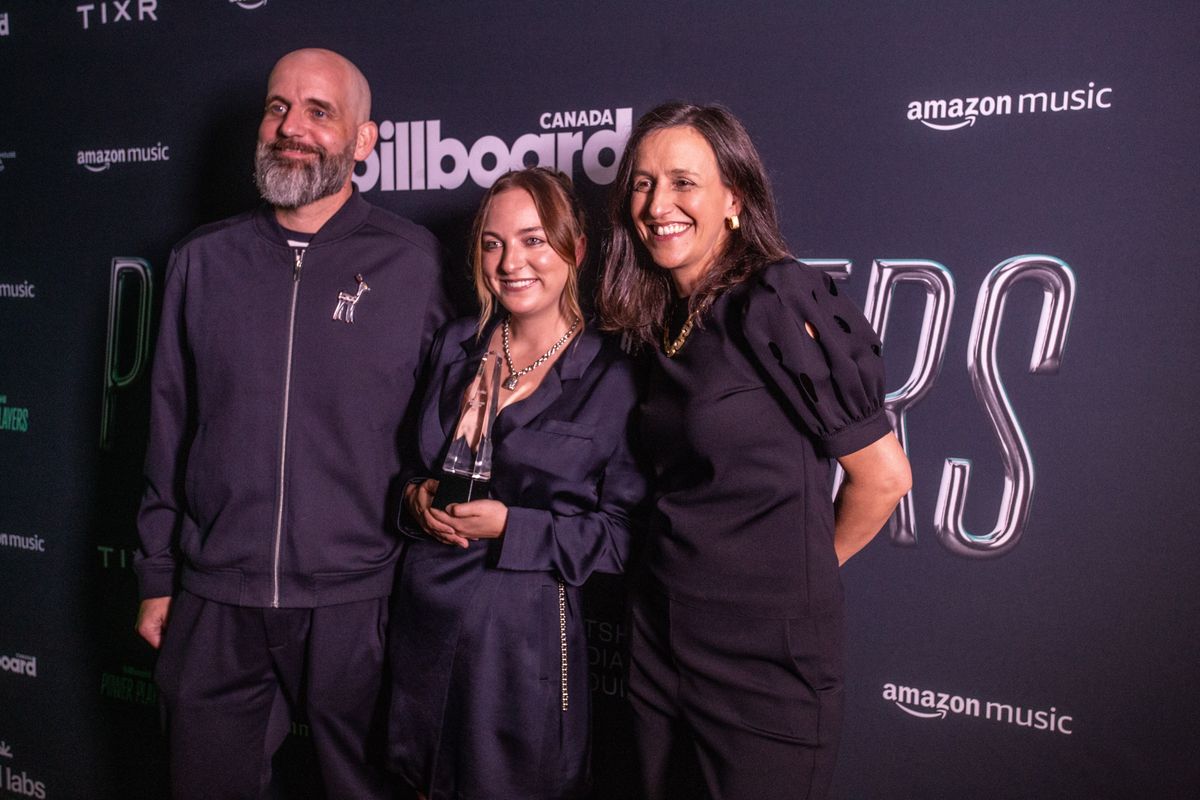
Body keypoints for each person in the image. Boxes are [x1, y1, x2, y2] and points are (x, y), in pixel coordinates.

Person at [133, 48, 448, 799]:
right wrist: (156, 573)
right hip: (217, 596)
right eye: (278, 107)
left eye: (318, 111)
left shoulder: (417, 264)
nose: (291, 127)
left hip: (361, 601)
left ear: (363, 141)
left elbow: (445, 436)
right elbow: (168, 424)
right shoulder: (201, 262)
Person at [597, 102, 912, 800]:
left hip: (761, 661)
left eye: (684, 182)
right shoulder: (664, 319)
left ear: (734, 198)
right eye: (643, 184)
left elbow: (884, 478)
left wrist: (785, 582)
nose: (658, 205)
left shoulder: (778, 297)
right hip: (660, 637)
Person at [387, 167, 646, 800]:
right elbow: (409, 469)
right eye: (493, 244)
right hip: (425, 623)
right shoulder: (454, 345)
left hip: (523, 643)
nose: (511, 262)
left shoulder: (612, 373)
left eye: (533, 240)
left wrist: (512, 527)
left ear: (575, 249)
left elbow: (624, 538)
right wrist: (414, 500)